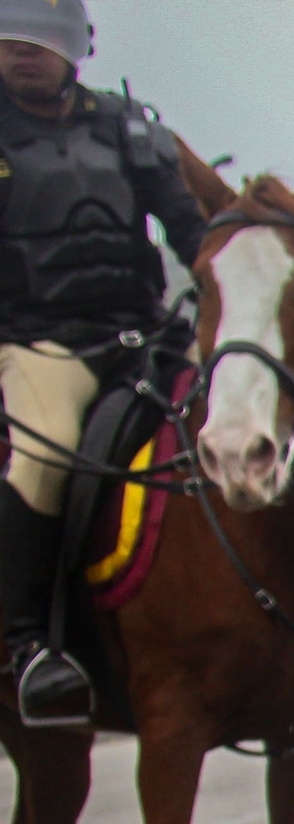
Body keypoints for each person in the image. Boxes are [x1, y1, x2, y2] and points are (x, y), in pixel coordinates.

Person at [0, 0, 205, 725]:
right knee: (42, 459)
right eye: (11, 39)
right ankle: (23, 647)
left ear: (76, 46)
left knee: (233, 423)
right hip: (39, 342)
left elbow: (190, 229)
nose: (25, 53)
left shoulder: (128, 127)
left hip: (143, 337)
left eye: (42, 39)